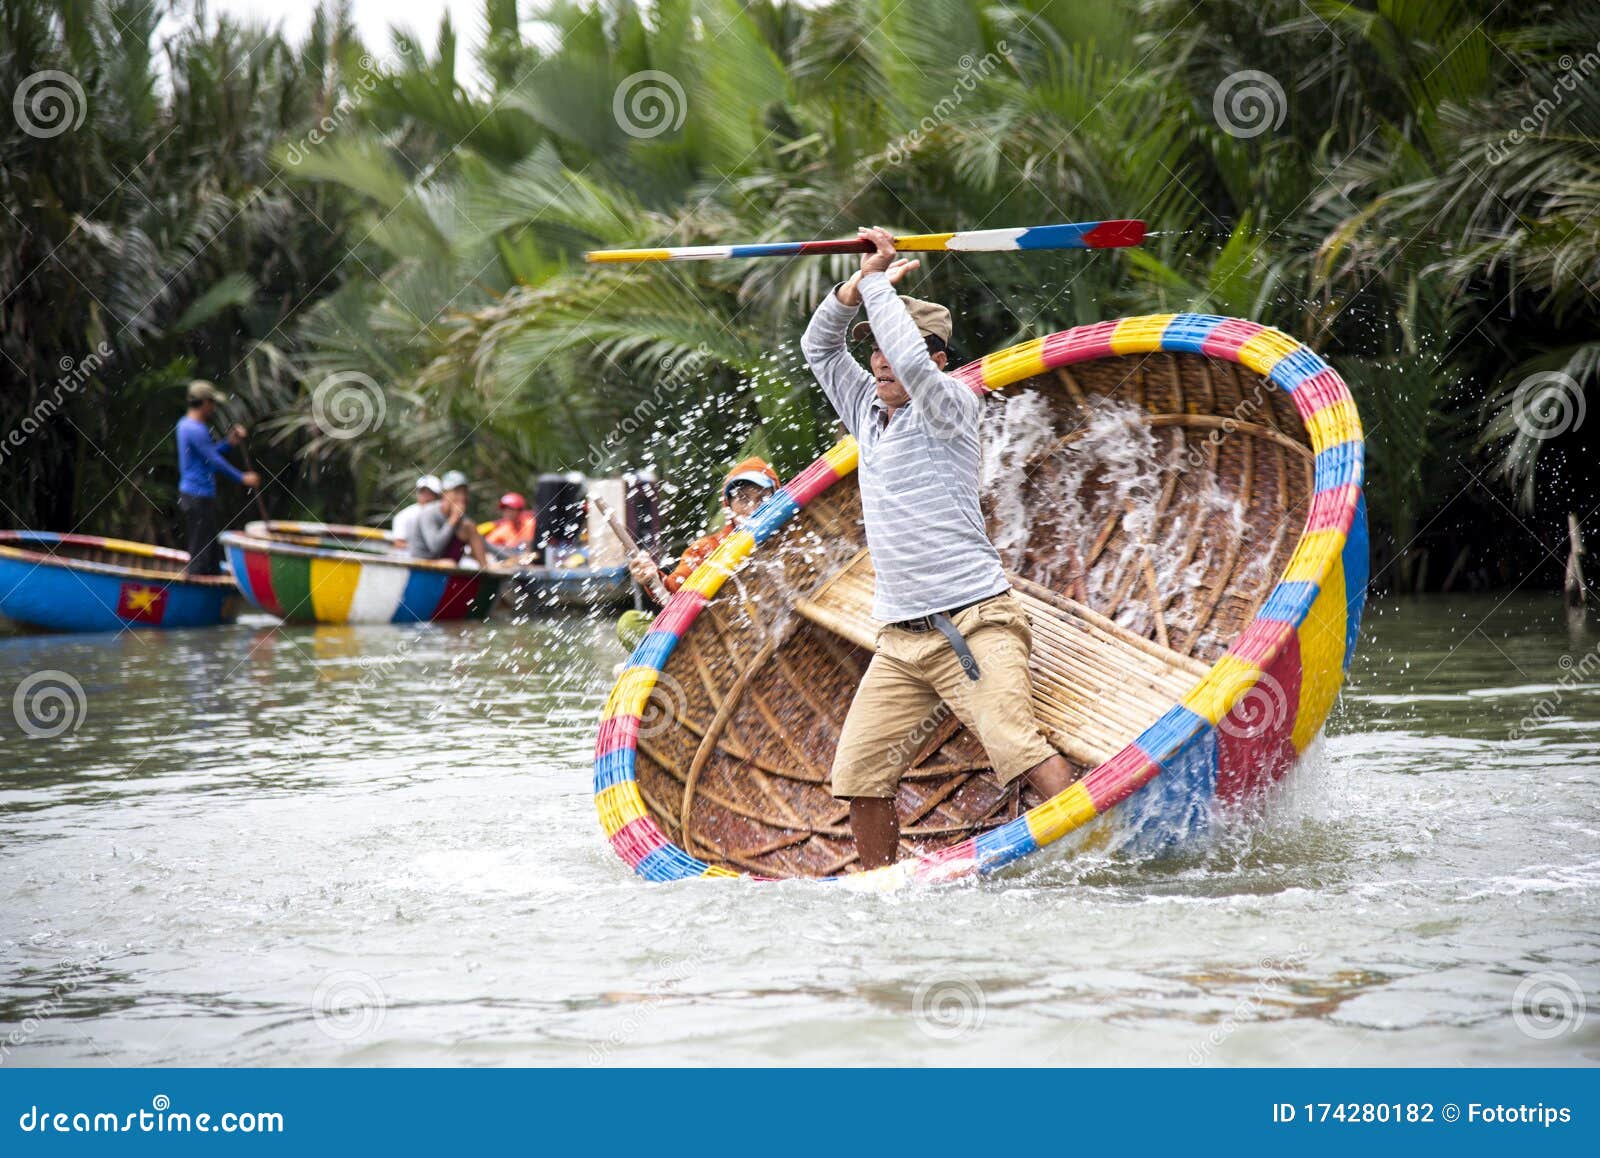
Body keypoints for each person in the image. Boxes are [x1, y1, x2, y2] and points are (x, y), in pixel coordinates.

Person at [799, 226, 1079, 869]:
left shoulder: (949, 404)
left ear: (940, 358)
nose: (883, 364)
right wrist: (852, 288)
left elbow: (912, 362)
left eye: (900, 353)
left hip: (976, 622)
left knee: (1017, 746)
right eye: (876, 354)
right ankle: (883, 889)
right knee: (859, 774)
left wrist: (877, 285)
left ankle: (1097, 857)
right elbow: (819, 348)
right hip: (901, 637)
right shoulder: (866, 411)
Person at [616, 457, 780, 651]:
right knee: (630, 622)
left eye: (762, 499)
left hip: (773, 637)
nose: (753, 509)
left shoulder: (789, 541)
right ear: (728, 504)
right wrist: (652, 576)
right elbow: (672, 592)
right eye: (743, 499)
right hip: (715, 645)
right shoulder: (705, 548)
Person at [175, 379, 260, 576]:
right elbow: (213, 460)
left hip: (199, 496)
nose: (213, 408)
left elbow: (208, 454)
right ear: (204, 402)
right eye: (212, 403)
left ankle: (211, 583)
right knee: (200, 552)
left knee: (211, 550)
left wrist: (229, 442)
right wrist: (242, 478)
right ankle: (195, 590)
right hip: (196, 496)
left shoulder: (188, 425)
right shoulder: (194, 429)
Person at [407, 470, 489, 567]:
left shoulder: (460, 516)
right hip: (423, 560)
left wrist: (506, 554)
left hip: (444, 559)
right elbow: (435, 547)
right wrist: (453, 519)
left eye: (464, 493)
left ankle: (485, 569)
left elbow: (481, 541)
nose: (461, 497)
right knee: (449, 564)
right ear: (445, 493)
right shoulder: (429, 513)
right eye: (457, 492)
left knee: (469, 526)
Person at [391, 475, 441, 551]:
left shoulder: (445, 516)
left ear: (437, 496)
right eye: (422, 492)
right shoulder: (403, 516)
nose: (426, 497)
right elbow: (399, 544)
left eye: (430, 493)